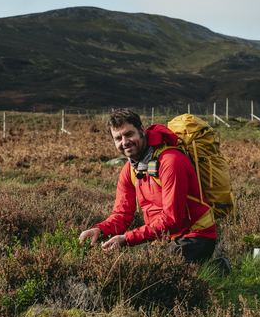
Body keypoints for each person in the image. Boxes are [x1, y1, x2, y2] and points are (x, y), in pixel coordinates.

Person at [78, 108, 220, 264]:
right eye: (118, 138)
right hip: (163, 238)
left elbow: (172, 221)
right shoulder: (130, 169)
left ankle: (218, 267)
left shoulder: (171, 162)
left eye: (129, 134)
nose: (125, 142)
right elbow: (122, 215)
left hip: (196, 236)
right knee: (135, 266)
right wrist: (100, 230)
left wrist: (127, 238)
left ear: (142, 130)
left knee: (155, 271)